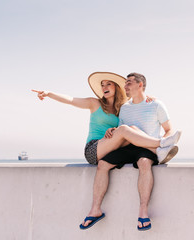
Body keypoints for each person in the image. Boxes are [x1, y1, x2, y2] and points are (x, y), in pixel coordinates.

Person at [79, 72, 181, 231]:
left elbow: (168, 129)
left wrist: (166, 137)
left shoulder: (156, 105)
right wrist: (112, 130)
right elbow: (122, 130)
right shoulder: (124, 108)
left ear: (140, 85)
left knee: (144, 163)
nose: (125, 86)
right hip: (129, 146)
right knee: (103, 163)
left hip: (145, 149)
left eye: (128, 83)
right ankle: (95, 210)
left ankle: (143, 211)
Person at [32, 72, 180, 166]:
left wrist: (148, 96)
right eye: (102, 85)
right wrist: (49, 93)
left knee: (132, 129)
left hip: (113, 147)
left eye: (108, 84)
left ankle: (159, 149)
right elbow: (71, 99)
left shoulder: (123, 108)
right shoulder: (94, 103)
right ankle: (160, 144)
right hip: (94, 148)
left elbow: (138, 100)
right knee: (125, 130)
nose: (104, 87)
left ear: (116, 87)